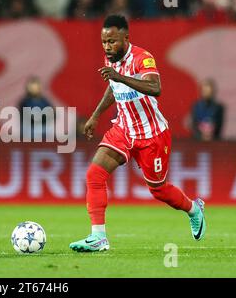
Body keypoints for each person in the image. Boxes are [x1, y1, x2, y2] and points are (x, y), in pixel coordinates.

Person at [69, 15, 206, 252]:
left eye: (112, 41)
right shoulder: (110, 59)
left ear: (125, 38)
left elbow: (155, 88)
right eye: (104, 42)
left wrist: (120, 77)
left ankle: (194, 209)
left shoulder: (143, 58)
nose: (107, 47)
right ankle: (98, 237)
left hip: (152, 134)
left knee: (159, 189)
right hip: (123, 128)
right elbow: (114, 88)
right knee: (94, 174)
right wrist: (95, 115)